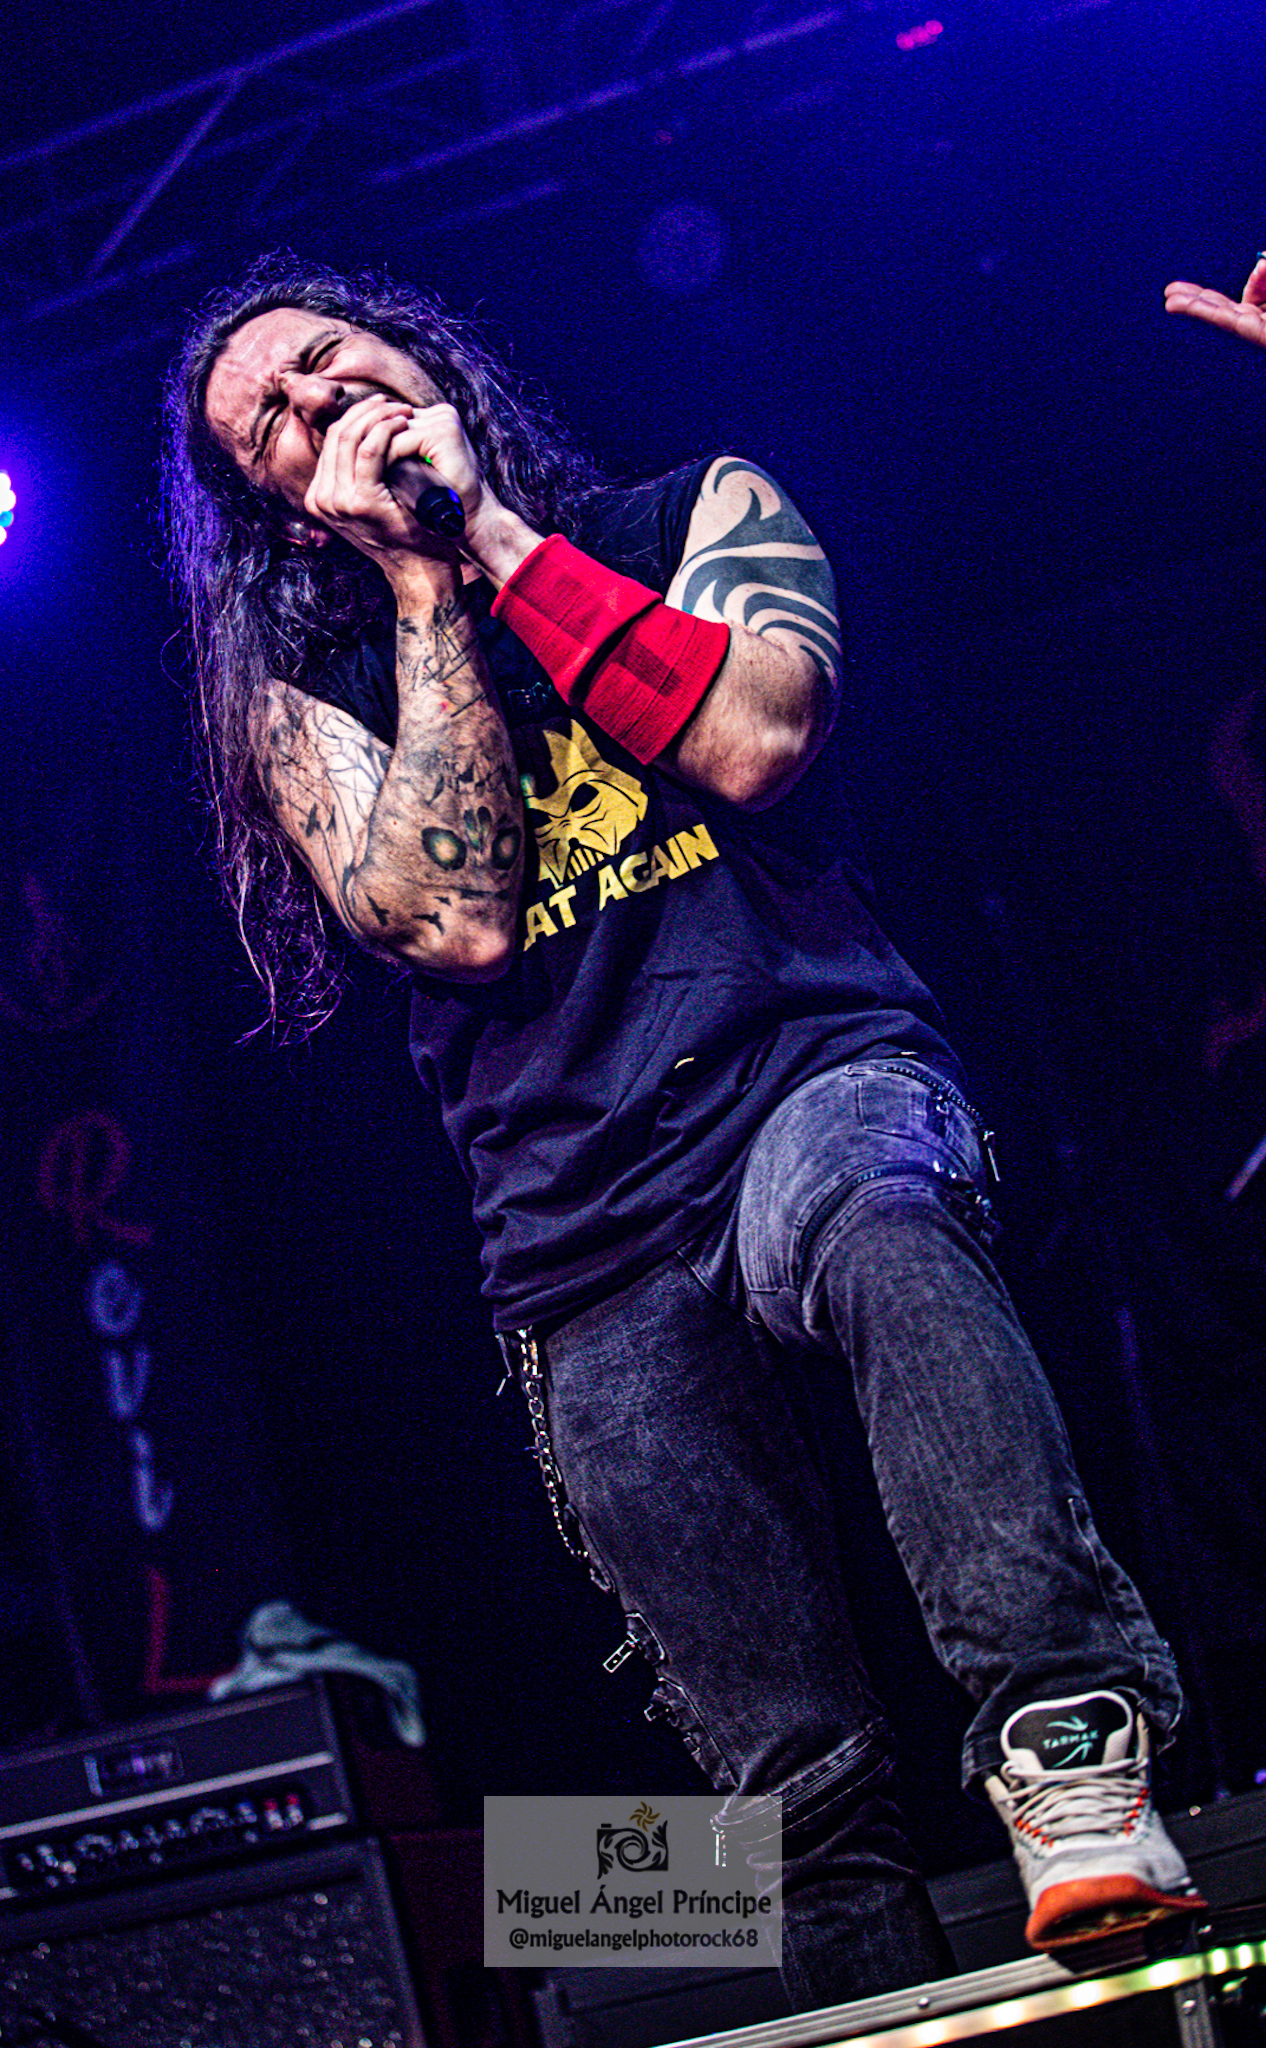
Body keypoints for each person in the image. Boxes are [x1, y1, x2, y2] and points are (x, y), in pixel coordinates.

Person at [163, 254, 1204, 2010]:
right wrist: (421, 587)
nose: (312, 397)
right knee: (780, 1771)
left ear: (417, 358)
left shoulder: (691, 512)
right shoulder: (305, 692)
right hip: (574, 1215)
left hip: (803, 1066)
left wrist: (490, 536)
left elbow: (755, 739)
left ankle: (1071, 1754)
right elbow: (451, 922)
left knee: (882, 1233)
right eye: (265, 417)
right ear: (271, 510)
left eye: (325, 356)